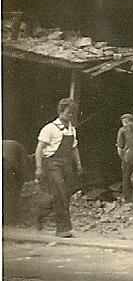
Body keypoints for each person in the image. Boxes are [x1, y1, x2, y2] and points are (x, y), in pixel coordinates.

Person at [34, 98, 83, 237]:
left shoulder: (72, 129)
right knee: (60, 192)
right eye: (69, 113)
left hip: (66, 163)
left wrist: (79, 164)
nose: (71, 115)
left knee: (65, 194)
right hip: (52, 163)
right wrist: (38, 167)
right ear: (61, 112)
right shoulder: (49, 128)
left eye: (73, 113)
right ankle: (63, 230)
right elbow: (39, 149)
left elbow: (74, 148)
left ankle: (41, 213)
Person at [2, 140, 28, 225]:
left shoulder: (12, 145)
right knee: (12, 194)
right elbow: (21, 166)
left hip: (9, 167)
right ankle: (12, 219)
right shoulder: (14, 145)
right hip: (10, 167)